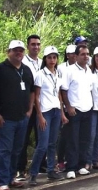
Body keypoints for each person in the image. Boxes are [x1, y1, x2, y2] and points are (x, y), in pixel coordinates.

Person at [0, 40, 35, 190]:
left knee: (17, 150)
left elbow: (32, 91)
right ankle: (3, 182)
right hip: (5, 119)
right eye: (15, 50)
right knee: (4, 151)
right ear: (8, 52)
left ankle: (11, 178)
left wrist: (29, 111)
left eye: (21, 50)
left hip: (22, 118)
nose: (18, 53)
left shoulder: (27, 70)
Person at [28, 46, 67, 186]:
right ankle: (33, 174)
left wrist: (62, 113)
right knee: (42, 145)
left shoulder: (58, 74)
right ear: (45, 59)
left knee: (52, 144)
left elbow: (59, 95)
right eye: (49, 57)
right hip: (45, 112)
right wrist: (40, 116)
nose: (52, 60)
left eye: (54, 57)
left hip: (56, 110)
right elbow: (36, 97)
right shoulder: (40, 74)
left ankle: (51, 170)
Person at [60, 45, 94, 179]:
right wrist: (68, 106)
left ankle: (81, 165)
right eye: (83, 54)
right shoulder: (69, 71)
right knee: (72, 139)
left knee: (84, 139)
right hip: (74, 110)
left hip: (87, 108)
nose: (86, 56)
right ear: (76, 56)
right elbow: (64, 90)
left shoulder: (89, 71)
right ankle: (71, 167)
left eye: (87, 54)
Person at [17, 34, 44, 180]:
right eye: (33, 44)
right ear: (28, 46)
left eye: (38, 44)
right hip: (27, 106)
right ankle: (20, 169)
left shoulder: (43, 62)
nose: (36, 47)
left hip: (41, 106)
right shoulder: (23, 62)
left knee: (41, 138)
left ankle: (41, 165)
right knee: (23, 139)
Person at [56, 44, 76, 172]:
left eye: (74, 53)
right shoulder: (61, 68)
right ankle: (60, 161)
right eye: (70, 53)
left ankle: (72, 160)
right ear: (67, 55)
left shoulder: (81, 68)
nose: (72, 55)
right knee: (63, 136)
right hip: (63, 106)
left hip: (76, 106)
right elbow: (59, 88)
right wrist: (63, 107)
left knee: (72, 136)